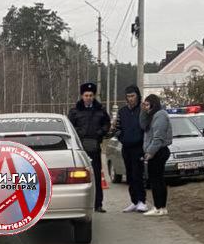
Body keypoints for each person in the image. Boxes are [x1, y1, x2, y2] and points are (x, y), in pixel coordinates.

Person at [67, 82, 111, 212]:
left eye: (91, 95)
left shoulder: (100, 110)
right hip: (79, 149)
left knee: (96, 176)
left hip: (95, 147)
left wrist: (100, 133)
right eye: (86, 95)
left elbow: (107, 124)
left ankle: (98, 204)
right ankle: (78, 204)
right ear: (82, 96)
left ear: (94, 96)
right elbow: (70, 127)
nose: (88, 98)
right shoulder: (75, 111)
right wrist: (79, 134)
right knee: (78, 177)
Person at [112, 84, 148, 212]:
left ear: (137, 96)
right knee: (129, 175)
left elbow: (147, 128)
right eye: (128, 96)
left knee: (138, 174)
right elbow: (117, 129)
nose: (131, 99)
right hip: (126, 147)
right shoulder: (122, 111)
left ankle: (142, 201)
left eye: (132, 96)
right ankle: (134, 201)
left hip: (139, 147)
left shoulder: (143, 110)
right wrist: (122, 137)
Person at [141, 93, 173, 216]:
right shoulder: (152, 115)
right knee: (157, 179)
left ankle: (159, 207)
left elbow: (158, 137)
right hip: (156, 151)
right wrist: (143, 111)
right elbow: (142, 124)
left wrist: (150, 152)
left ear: (154, 104)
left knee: (156, 180)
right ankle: (161, 207)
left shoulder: (160, 116)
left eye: (148, 105)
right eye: (145, 104)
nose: (146, 107)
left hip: (158, 152)